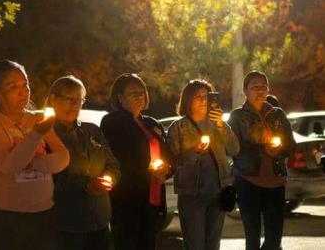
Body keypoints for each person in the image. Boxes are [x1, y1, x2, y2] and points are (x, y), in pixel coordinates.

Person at [0, 60, 69, 250]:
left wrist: (35, 164)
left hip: (40, 213)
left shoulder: (36, 118)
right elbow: (10, 166)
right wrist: (36, 134)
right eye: (13, 87)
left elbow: (63, 157)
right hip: (0, 217)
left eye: (25, 84)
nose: (23, 91)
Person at [46, 75, 120, 250]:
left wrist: (107, 179)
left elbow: (113, 164)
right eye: (69, 99)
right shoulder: (45, 134)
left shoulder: (92, 130)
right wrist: (86, 185)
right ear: (53, 99)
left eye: (79, 100)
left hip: (100, 218)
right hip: (66, 221)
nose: (75, 105)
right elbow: (47, 175)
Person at [100, 73, 171, 250]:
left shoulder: (151, 123)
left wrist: (166, 169)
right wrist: (146, 168)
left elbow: (168, 154)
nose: (139, 96)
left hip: (153, 196)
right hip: (127, 197)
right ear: (120, 98)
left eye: (141, 92)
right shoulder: (112, 122)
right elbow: (117, 156)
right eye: (133, 93)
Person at [167, 79, 239, 250]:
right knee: (194, 244)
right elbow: (173, 162)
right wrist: (194, 152)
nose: (203, 100)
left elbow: (234, 149)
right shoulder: (178, 127)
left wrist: (222, 125)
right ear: (188, 100)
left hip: (218, 191)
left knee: (213, 244)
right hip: (192, 194)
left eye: (206, 96)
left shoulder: (217, 124)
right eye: (198, 97)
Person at [228, 71, 296, 250]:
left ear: (268, 89)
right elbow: (233, 149)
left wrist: (279, 149)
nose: (259, 91)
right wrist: (262, 148)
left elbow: (291, 145)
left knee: (274, 238)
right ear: (245, 90)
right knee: (253, 236)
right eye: (254, 87)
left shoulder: (277, 114)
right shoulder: (237, 116)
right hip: (248, 181)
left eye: (263, 87)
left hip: (276, 181)